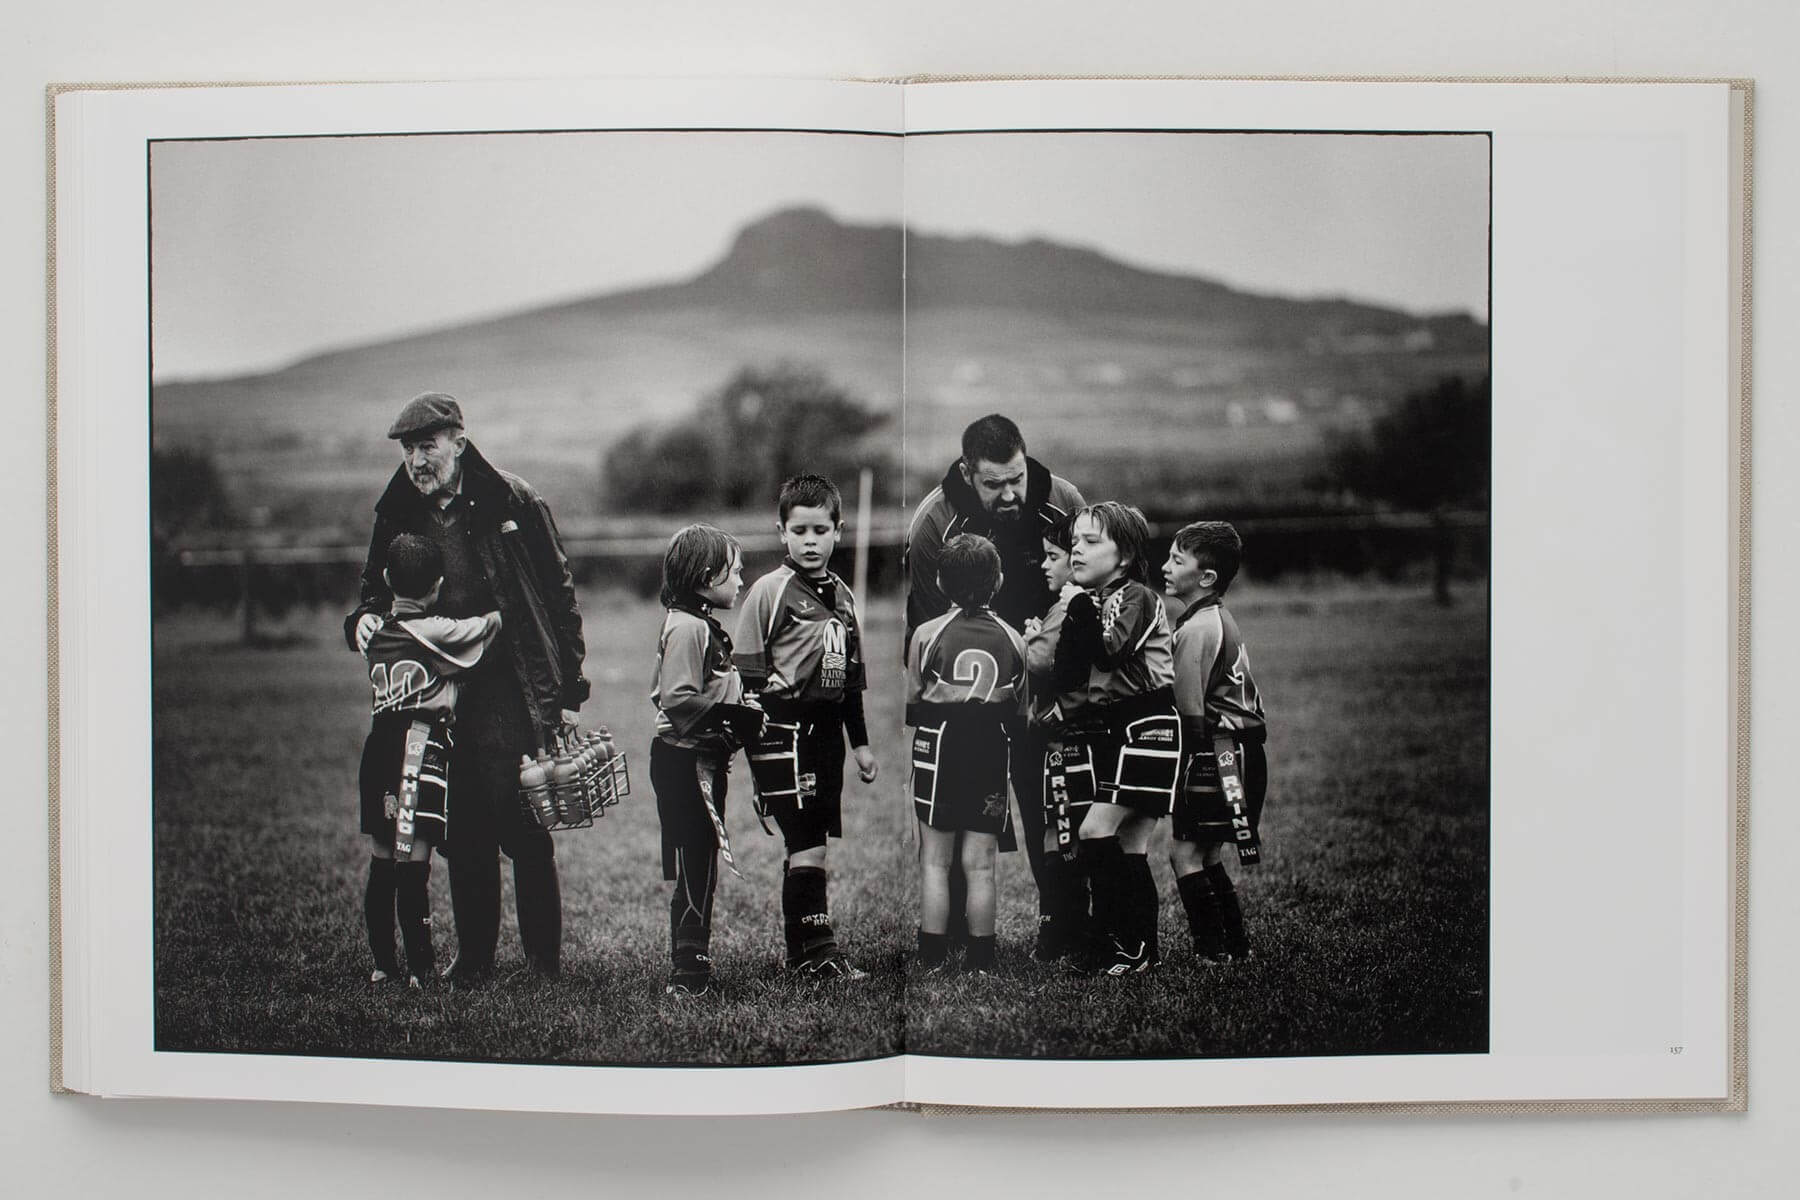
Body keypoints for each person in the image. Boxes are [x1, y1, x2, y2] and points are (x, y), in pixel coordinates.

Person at [346, 392, 588, 984]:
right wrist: (362, 622)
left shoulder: (513, 498)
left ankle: (542, 963)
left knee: (523, 822)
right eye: (407, 449)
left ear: (458, 439)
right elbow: (371, 595)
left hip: (509, 687)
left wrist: (570, 687)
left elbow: (558, 593)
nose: (416, 460)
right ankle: (474, 958)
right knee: (461, 828)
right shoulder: (397, 508)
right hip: (440, 701)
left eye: (426, 445)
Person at [904, 414, 1083, 955]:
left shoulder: (1065, 503)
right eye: (993, 483)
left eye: (1016, 478)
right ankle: (956, 929)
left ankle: (1063, 924)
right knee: (958, 819)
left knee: (1049, 808)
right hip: (967, 707)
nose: (1009, 494)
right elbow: (926, 629)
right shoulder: (934, 522)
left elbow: (1091, 592)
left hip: (1044, 682)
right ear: (967, 472)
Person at [734, 474, 880, 980]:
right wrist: (753, 745)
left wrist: (859, 745)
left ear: (839, 530)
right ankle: (818, 953)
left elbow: (850, 681)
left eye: (821, 529)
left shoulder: (844, 597)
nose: (811, 540)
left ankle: (801, 954)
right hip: (784, 732)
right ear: (782, 532)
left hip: (826, 738)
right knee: (807, 841)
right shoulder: (768, 593)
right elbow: (746, 675)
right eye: (800, 531)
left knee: (807, 842)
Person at [356, 533, 503, 988]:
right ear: (437, 585)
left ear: (385, 578)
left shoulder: (376, 632)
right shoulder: (435, 630)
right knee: (414, 863)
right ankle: (422, 970)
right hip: (417, 748)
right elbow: (488, 627)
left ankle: (384, 965)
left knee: (382, 858)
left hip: (377, 747)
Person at [1049, 501, 1180, 976]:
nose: (1076, 551)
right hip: (1116, 728)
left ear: (1123, 556)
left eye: (1090, 542)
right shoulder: (1094, 599)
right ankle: (1135, 948)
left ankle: (1107, 940)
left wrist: (1080, 609)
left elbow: (1109, 653)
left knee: (1092, 832)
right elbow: (1068, 673)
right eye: (1074, 541)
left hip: (1146, 726)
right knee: (1128, 846)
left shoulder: (1135, 596)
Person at [905, 534, 1029, 974]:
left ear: (940, 581)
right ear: (998, 582)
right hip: (993, 745)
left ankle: (932, 955)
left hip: (939, 743)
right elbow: (1022, 708)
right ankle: (982, 957)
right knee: (981, 865)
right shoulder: (1015, 638)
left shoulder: (926, 633)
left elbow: (913, 701)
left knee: (934, 860)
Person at [650, 525, 765, 997]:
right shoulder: (688, 627)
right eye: (734, 572)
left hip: (701, 761)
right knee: (696, 862)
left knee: (700, 862)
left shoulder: (697, 622)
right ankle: (689, 972)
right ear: (706, 576)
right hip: (685, 763)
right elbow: (676, 699)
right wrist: (731, 716)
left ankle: (691, 959)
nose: (740, 581)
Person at [1162, 521, 1269, 962]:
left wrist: (1181, 771)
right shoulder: (1218, 616)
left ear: (1206, 577)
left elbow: (1189, 712)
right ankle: (1235, 946)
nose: (1164, 566)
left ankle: (1212, 951)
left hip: (1216, 751)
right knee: (1205, 854)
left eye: (1176, 560)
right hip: (1243, 751)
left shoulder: (1193, 631)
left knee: (1183, 853)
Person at [1022, 511, 1087, 961]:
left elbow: (1040, 664)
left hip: (1063, 742)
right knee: (1064, 830)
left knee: (1059, 830)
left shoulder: (1069, 605)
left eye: (1052, 556)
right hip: (1065, 739)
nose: (1044, 565)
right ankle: (1066, 926)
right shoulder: (1068, 605)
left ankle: (1060, 930)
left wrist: (1024, 644)